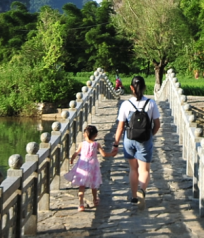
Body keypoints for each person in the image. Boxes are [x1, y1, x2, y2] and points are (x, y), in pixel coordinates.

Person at [112, 75, 161, 209]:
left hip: (129, 140)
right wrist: (150, 135)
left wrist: (116, 144)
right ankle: (142, 190)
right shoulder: (151, 103)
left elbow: (120, 127)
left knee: (133, 169)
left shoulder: (126, 104)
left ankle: (134, 197)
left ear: (131, 88)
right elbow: (157, 125)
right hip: (145, 140)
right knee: (144, 170)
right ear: (144, 87)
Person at [63, 124, 117, 211]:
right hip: (92, 167)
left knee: (82, 186)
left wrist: (72, 160)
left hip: (82, 167)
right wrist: (112, 154)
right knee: (93, 184)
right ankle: (95, 199)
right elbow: (103, 154)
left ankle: (81, 204)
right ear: (95, 135)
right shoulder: (96, 144)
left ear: (84, 134)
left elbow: (76, 153)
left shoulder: (82, 144)